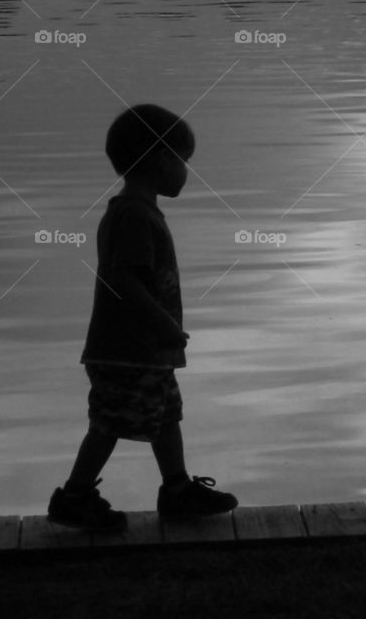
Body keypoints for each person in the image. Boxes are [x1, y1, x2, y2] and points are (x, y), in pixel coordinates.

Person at [47, 104, 238, 529]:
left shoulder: (136, 210)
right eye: (184, 162)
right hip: (126, 350)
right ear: (161, 160)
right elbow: (125, 282)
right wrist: (164, 324)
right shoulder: (133, 215)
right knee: (108, 424)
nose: (187, 172)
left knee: (167, 414)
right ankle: (74, 496)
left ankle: (177, 488)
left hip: (145, 352)